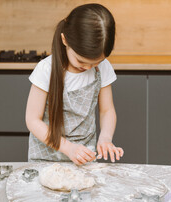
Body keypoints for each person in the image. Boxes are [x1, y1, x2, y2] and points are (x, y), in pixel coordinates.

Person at [25, 3, 124, 165]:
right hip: (45, 159)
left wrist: (105, 138)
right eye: (81, 61)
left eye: (96, 63)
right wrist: (68, 148)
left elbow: (107, 110)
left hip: (84, 157)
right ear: (65, 40)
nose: (88, 68)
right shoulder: (46, 69)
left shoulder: (103, 68)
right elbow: (32, 120)